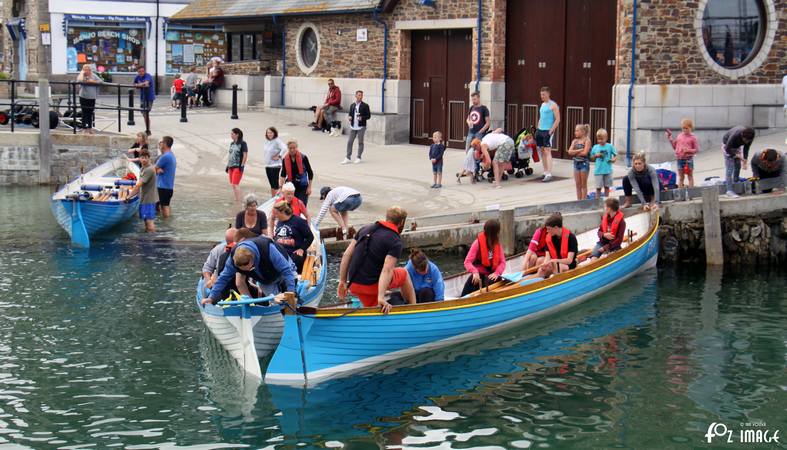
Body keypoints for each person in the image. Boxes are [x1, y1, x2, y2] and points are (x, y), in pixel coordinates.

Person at [337, 206, 416, 314]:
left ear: (387, 217)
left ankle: (376, 313)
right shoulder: (395, 240)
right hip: (371, 286)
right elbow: (387, 270)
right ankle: (414, 309)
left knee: (373, 308)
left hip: (354, 284)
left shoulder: (365, 229)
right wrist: (381, 297)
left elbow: (346, 255)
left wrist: (342, 281)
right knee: (404, 273)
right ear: (402, 222)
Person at [200, 234, 298, 305]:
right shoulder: (232, 261)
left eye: (249, 267)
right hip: (266, 279)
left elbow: (286, 271)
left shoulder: (269, 249)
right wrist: (211, 297)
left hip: (284, 267)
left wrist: (291, 292)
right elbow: (223, 279)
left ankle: (296, 301)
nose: (247, 271)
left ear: (252, 258)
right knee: (277, 303)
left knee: (292, 290)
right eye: (243, 269)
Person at [208, 228, 260, 301]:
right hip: (235, 294)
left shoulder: (223, 254)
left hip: (224, 294)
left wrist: (211, 296)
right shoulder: (241, 255)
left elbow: (221, 278)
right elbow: (239, 283)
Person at [461, 219, 506, 297]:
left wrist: (497, 273)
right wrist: (475, 272)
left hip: (492, 276)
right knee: (471, 283)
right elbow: (467, 262)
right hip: (479, 276)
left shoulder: (497, 244)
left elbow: (502, 262)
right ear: (495, 233)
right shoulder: (477, 243)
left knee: (493, 281)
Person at [272, 200, 314, 272]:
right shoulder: (279, 222)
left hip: (294, 252)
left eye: (276, 214)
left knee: (293, 262)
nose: (275, 216)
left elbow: (310, 237)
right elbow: (277, 237)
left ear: (282, 212)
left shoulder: (299, 221)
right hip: (281, 252)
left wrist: (302, 249)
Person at [128, 150, 158, 233]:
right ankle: (148, 240)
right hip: (144, 199)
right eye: (142, 158)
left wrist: (128, 197)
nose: (144, 160)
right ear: (139, 159)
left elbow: (138, 185)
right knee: (146, 222)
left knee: (149, 223)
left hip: (149, 200)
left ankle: (153, 241)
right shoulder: (142, 168)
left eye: (146, 158)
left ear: (149, 158)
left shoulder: (149, 169)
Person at [721, 126, 755, 198]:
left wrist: (745, 160)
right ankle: (729, 190)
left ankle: (736, 180)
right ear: (742, 135)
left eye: (747, 141)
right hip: (727, 146)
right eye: (745, 140)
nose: (746, 142)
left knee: (738, 165)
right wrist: (736, 155)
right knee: (730, 168)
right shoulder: (735, 135)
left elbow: (746, 148)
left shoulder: (750, 138)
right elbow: (727, 149)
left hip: (736, 147)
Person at [536, 86, 560, 182]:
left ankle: (549, 173)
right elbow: (541, 117)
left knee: (547, 150)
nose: (542, 96)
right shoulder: (542, 105)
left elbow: (558, 119)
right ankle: (545, 171)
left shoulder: (553, 105)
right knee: (542, 150)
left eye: (544, 94)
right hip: (541, 129)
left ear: (548, 94)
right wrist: (538, 127)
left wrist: (551, 130)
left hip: (548, 130)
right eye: (541, 94)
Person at [278, 139, 314, 206]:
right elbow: (283, 174)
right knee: (291, 205)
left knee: (301, 205)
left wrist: (309, 187)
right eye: (290, 148)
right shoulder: (285, 159)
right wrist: (280, 188)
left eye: (294, 148)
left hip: (302, 186)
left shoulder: (303, 157)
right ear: (287, 148)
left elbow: (310, 173)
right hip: (291, 186)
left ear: (296, 147)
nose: (292, 150)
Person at [666, 118, 699, 188]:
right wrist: (670, 138)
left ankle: (691, 193)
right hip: (679, 159)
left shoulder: (693, 138)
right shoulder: (679, 136)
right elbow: (675, 147)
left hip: (688, 159)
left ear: (690, 128)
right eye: (683, 128)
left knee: (690, 176)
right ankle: (680, 194)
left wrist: (688, 150)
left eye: (686, 128)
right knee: (681, 177)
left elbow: (696, 149)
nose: (685, 130)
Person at [343, 90, 371, 162]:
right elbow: (350, 114)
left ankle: (359, 157)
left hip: (361, 127)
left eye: (361, 95)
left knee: (360, 142)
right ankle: (348, 157)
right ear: (356, 96)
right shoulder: (352, 105)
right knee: (350, 142)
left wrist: (362, 118)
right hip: (353, 126)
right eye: (359, 95)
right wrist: (350, 117)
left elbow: (368, 116)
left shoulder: (365, 105)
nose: (360, 97)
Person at [589, 128, 617, 199]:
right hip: (598, 171)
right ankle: (597, 201)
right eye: (598, 139)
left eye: (602, 139)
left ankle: (606, 200)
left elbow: (615, 155)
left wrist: (613, 159)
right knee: (598, 188)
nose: (600, 141)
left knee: (607, 187)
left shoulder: (610, 146)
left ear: (606, 138)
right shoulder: (595, 147)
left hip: (608, 170)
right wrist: (595, 155)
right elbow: (591, 157)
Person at [154, 136, 177, 218]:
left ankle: (166, 226)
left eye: (162, 142)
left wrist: (157, 169)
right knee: (164, 206)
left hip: (163, 186)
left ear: (165, 144)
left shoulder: (165, 157)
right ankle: (166, 223)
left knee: (164, 207)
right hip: (169, 186)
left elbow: (153, 169)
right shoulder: (171, 155)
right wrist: (158, 169)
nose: (161, 143)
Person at [568, 124, 591, 200]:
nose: (575, 132)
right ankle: (578, 201)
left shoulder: (587, 141)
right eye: (575, 130)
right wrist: (579, 150)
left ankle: (583, 201)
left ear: (583, 132)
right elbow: (569, 152)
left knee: (583, 185)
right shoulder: (575, 141)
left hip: (584, 164)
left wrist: (574, 153)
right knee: (578, 184)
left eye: (577, 131)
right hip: (576, 163)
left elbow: (585, 153)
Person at [76, 64, 102, 134]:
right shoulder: (82, 75)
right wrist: (82, 73)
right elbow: (79, 80)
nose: (86, 71)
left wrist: (92, 81)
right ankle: (84, 128)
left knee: (90, 112)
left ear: (90, 70)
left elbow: (100, 81)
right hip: (83, 96)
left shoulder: (93, 75)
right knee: (84, 112)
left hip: (92, 96)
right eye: (84, 69)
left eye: (87, 69)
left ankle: (90, 128)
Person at [264, 127, 288, 197]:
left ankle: (278, 200)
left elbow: (284, 148)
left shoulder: (277, 140)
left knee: (275, 185)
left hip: (275, 165)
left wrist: (279, 156)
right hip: (268, 165)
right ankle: (272, 199)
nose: (269, 134)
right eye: (268, 133)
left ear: (274, 133)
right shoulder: (267, 141)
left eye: (271, 133)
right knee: (272, 185)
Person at [226, 128, 248, 203]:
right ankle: (237, 199)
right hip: (230, 166)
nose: (231, 135)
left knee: (235, 184)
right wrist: (227, 165)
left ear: (237, 134)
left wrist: (241, 165)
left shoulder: (243, 143)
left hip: (237, 166)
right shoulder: (232, 144)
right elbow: (230, 154)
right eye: (231, 134)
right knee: (233, 184)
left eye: (232, 134)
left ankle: (241, 200)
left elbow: (245, 155)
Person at [133, 67, 155, 136]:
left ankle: (148, 129)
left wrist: (138, 85)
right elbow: (134, 84)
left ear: (144, 71)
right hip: (142, 97)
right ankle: (147, 127)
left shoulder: (148, 76)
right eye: (139, 71)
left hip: (149, 97)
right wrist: (138, 85)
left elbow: (146, 83)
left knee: (146, 112)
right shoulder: (138, 77)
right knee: (144, 113)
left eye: (142, 71)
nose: (141, 73)